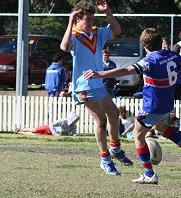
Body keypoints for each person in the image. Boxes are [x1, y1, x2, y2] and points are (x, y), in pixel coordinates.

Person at [83, 27, 181, 184]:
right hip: (167, 104)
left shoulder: (150, 60)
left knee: (138, 134)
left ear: (145, 45)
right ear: (160, 41)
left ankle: (149, 174)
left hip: (152, 105)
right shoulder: (174, 56)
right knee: (161, 127)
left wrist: (100, 73)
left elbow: (127, 70)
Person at [60, 0, 133, 176]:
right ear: (78, 19)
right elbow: (64, 47)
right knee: (101, 120)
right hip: (84, 86)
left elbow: (117, 31)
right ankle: (105, 159)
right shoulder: (75, 35)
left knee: (114, 114)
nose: (91, 23)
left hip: (98, 84)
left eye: (93, 19)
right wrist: (70, 21)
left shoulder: (96, 33)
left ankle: (115, 149)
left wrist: (108, 11)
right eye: (87, 19)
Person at [15, 112, 79, 136]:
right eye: (75, 120)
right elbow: (52, 124)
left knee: (36, 135)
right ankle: (21, 129)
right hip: (48, 128)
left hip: (51, 134)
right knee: (34, 130)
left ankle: (20, 132)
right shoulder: (63, 121)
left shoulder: (74, 126)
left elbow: (73, 133)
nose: (76, 121)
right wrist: (55, 133)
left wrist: (74, 135)